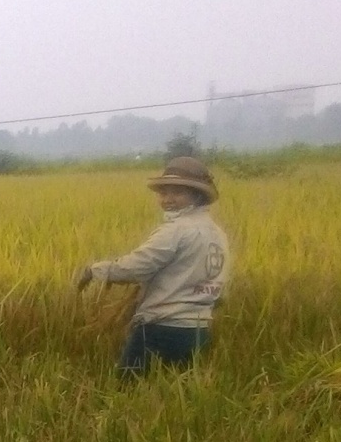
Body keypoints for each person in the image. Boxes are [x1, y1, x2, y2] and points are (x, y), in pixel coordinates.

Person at [75, 155, 230, 375]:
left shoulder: (176, 230)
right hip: (199, 329)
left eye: (177, 192)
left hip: (162, 328)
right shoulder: (217, 233)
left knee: (128, 385)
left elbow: (137, 266)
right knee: (177, 388)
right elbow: (217, 282)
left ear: (196, 195)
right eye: (163, 193)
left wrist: (96, 270)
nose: (168, 199)